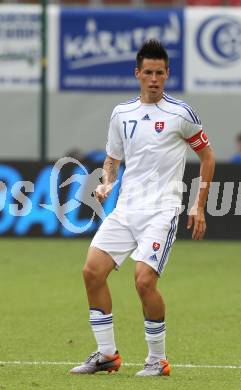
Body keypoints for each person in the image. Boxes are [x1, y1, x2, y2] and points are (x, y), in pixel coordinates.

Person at [70, 40, 215, 377]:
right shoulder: (122, 113)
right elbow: (113, 158)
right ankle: (107, 355)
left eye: (160, 73)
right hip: (125, 210)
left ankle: (157, 359)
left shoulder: (181, 113)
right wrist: (106, 182)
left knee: (144, 281)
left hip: (161, 212)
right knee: (91, 272)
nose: (154, 78)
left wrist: (199, 204)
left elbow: (207, 155)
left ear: (167, 75)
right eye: (148, 72)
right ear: (137, 73)